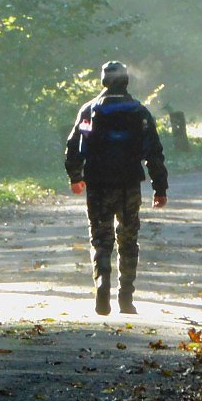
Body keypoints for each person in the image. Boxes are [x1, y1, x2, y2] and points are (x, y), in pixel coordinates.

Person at [64, 61, 168, 315]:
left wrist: (75, 175)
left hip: (98, 183)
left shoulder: (89, 111)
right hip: (129, 184)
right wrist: (159, 187)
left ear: (103, 81)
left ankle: (102, 284)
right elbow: (153, 152)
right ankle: (126, 298)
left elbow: (75, 144)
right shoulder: (139, 112)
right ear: (126, 81)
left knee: (101, 238)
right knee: (128, 239)